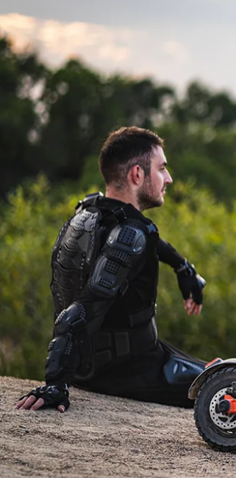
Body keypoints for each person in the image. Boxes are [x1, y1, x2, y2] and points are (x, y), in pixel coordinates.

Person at [15, 126, 207, 412]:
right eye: (162, 168)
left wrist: (183, 268)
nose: (169, 178)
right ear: (137, 175)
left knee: (215, 369)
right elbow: (82, 310)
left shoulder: (88, 214)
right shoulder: (131, 234)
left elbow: (146, 239)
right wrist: (56, 383)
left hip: (99, 365)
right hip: (130, 371)